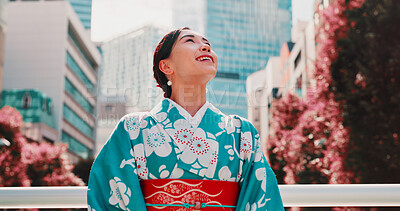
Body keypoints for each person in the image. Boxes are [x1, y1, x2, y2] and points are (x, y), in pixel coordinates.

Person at [87, 27, 284, 211]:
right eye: (190, 41)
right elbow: (110, 191)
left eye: (207, 44)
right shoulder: (132, 129)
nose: (205, 46)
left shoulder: (243, 132)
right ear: (166, 66)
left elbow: (262, 197)